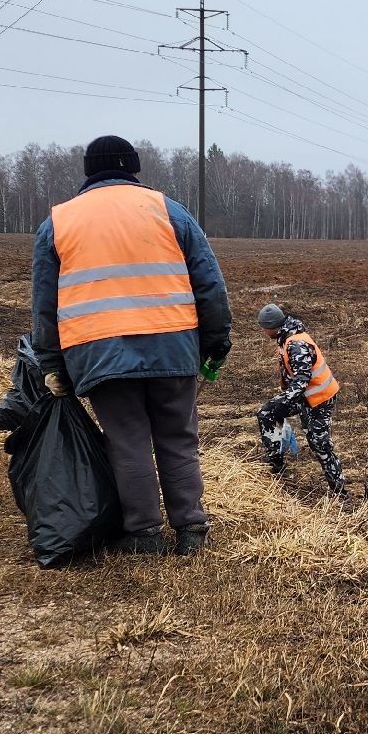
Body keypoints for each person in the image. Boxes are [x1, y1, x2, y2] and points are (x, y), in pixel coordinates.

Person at [30, 135, 232, 557]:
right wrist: (215, 341)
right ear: (134, 169)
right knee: (178, 439)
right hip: (174, 345)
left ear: (88, 172)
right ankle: (191, 529)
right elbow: (209, 283)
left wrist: (52, 362)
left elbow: (45, 303)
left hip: (99, 351)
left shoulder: (58, 222)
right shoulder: (169, 210)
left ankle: (144, 534)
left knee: (128, 442)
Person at [255, 303, 348, 495]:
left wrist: (284, 399)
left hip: (319, 399)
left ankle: (340, 492)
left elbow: (302, 380)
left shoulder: (296, 343)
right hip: (304, 396)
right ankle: (277, 466)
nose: (263, 331)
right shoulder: (286, 336)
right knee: (266, 413)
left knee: (319, 445)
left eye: (264, 327)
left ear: (272, 326)